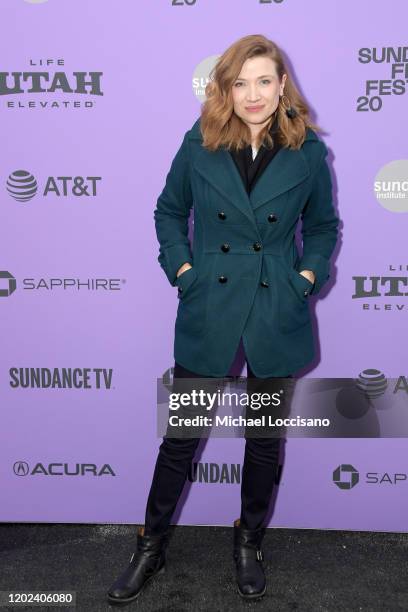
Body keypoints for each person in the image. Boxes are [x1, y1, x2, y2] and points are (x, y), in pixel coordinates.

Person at [107, 33, 339, 605]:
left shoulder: (308, 153)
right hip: (210, 305)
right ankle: (151, 543)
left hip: (274, 309)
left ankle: (248, 542)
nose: (253, 94)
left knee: (263, 441)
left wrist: (304, 280)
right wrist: (184, 271)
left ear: (283, 85)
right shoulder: (199, 144)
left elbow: (325, 228)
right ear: (225, 89)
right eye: (241, 83)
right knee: (181, 438)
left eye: (264, 81)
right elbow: (168, 211)